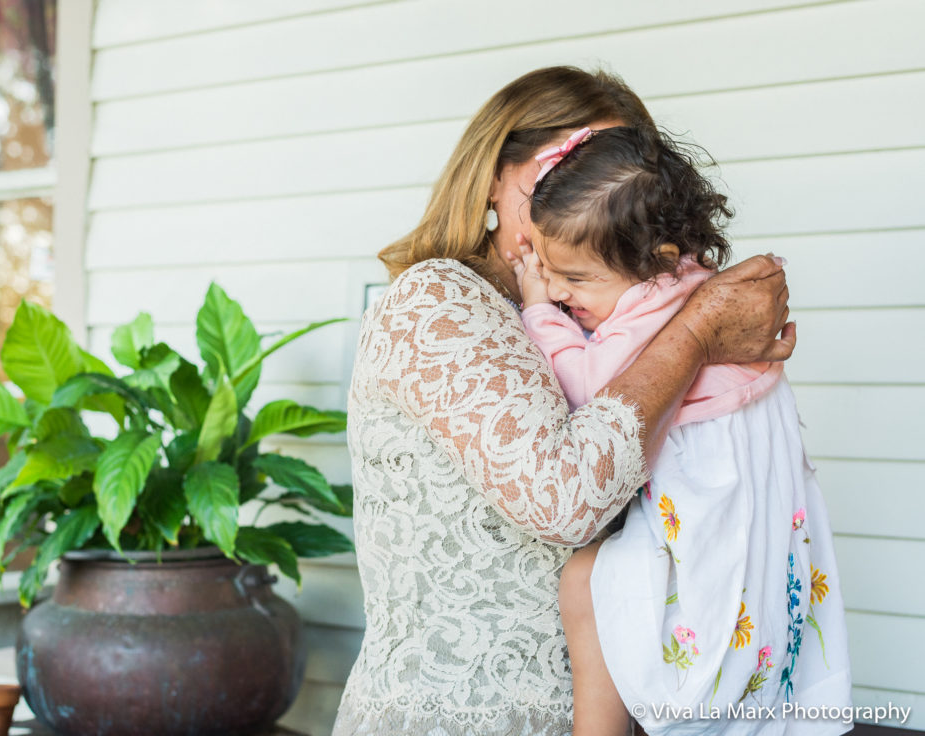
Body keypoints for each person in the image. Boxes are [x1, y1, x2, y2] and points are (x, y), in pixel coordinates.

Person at [331, 67, 795, 736]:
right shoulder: (437, 300)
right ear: (493, 174)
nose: (577, 219)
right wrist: (696, 332)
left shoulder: (601, 318)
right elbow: (564, 497)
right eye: (554, 184)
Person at [511, 125, 851, 736]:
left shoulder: (650, 308)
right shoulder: (688, 282)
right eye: (551, 274)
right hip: (759, 487)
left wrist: (536, 310)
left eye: (575, 278)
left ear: (657, 262)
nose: (561, 293)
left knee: (588, 584)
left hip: (705, 495)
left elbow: (591, 391)